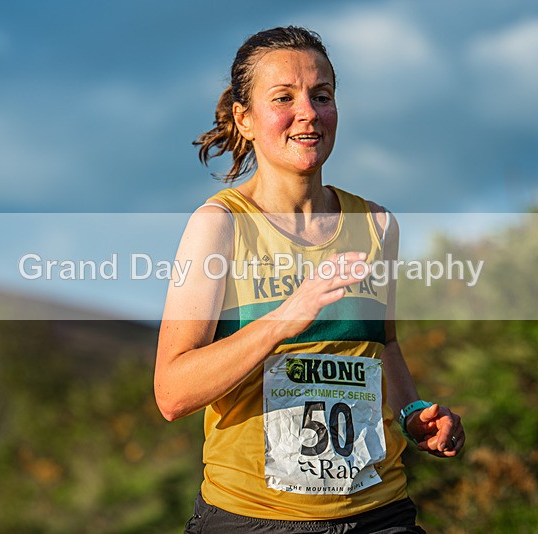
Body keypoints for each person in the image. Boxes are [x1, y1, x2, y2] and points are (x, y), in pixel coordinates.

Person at [155, 26, 465, 533]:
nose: (309, 113)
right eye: (284, 98)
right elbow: (172, 393)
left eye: (322, 96)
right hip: (254, 518)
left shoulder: (377, 225)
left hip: (379, 513)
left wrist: (412, 413)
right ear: (245, 118)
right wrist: (283, 319)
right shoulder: (220, 224)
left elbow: (383, 346)